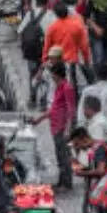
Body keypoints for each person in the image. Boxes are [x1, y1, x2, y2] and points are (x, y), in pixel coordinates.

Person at [30, 62, 75, 190]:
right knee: (59, 154)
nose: (52, 77)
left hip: (61, 127)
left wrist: (67, 128)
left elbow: (71, 109)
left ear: (57, 75)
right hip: (55, 125)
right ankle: (62, 180)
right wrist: (39, 119)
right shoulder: (59, 87)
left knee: (63, 155)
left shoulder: (67, 88)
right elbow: (54, 108)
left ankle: (67, 182)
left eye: (53, 75)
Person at [42, 1, 91, 89]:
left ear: (56, 14)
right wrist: (86, 60)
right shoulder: (77, 25)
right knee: (73, 86)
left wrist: (45, 60)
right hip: (72, 61)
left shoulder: (52, 28)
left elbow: (47, 47)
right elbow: (84, 46)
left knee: (57, 88)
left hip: (57, 62)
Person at [20, 0, 55, 106]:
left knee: (32, 73)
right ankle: (43, 100)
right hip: (44, 49)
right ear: (47, 2)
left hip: (30, 50)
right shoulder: (51, 15)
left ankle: (32, 97)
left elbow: (20, 30)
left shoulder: (29, 14)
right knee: (45, 74)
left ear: (37, 2)